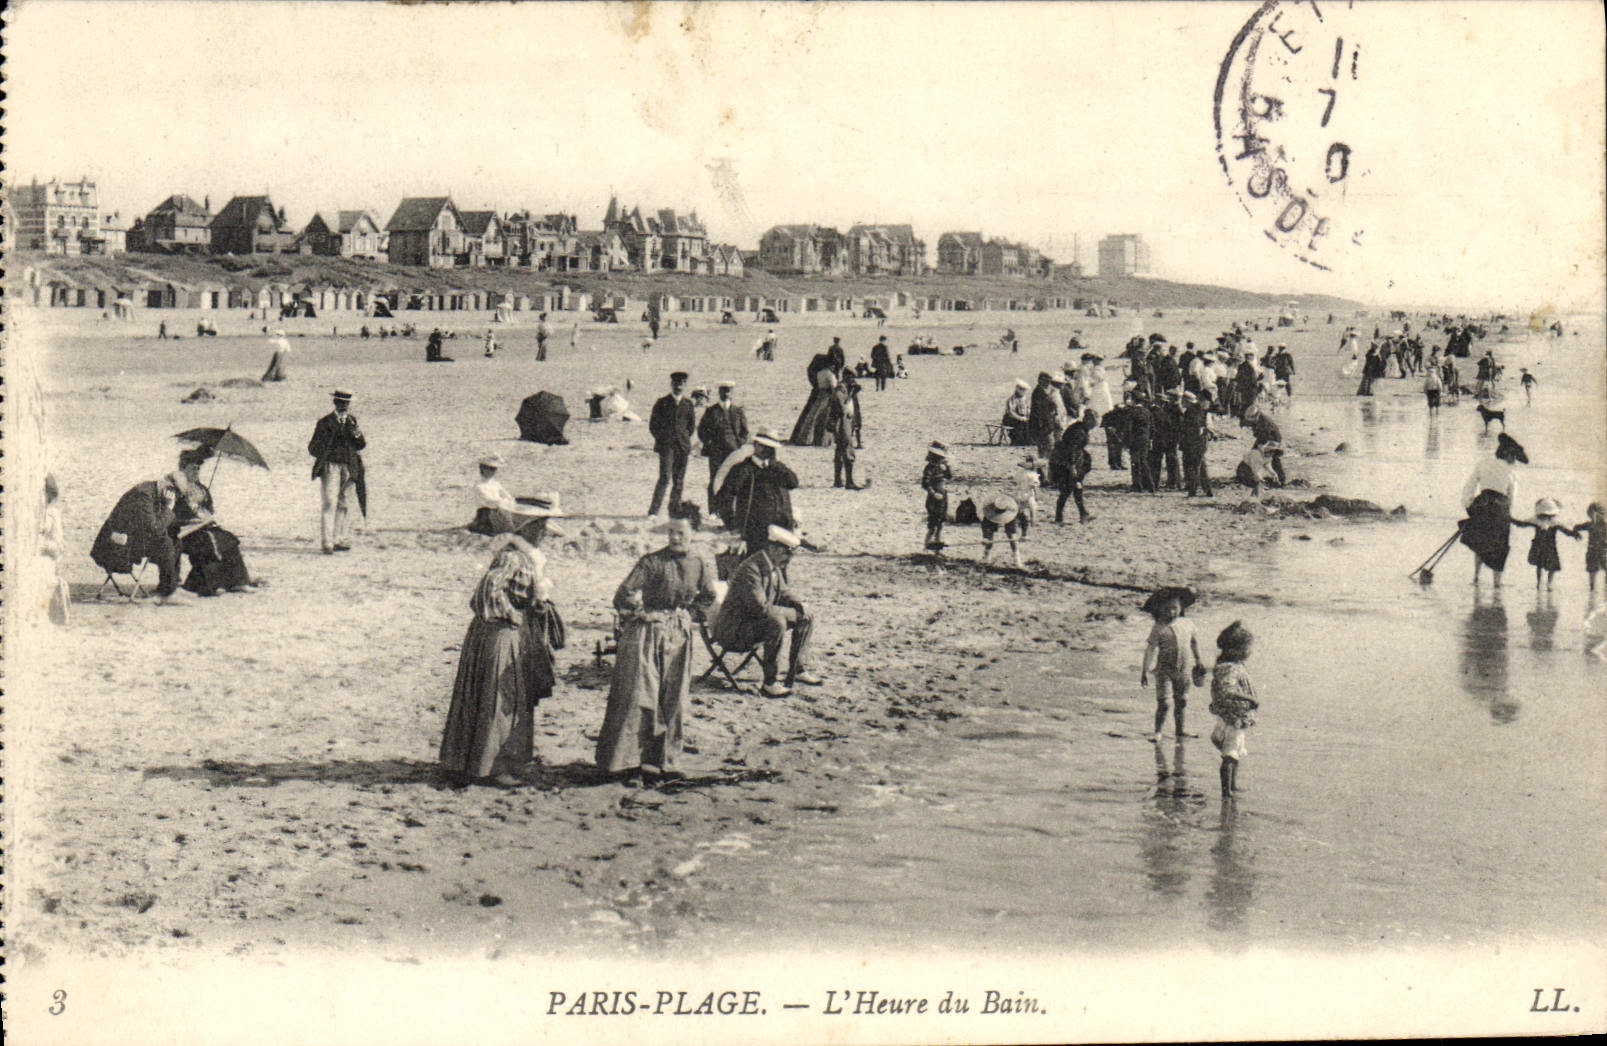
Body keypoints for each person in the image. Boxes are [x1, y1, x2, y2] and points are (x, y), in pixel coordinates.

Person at [439, 501, 564, 788]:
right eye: (541, 526)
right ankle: (493, 767)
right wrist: (513, 615)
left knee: (508, 697)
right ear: (528, 528)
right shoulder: (512, 558)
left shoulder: (526, 557)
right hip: (500, 634)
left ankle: (493, 761)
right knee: (500, 697)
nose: (545, 532)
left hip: (510, 633)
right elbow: (485, 594)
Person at [595, 518, 718, 783]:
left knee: (674, 698)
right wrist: (641, 614)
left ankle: (666, 762)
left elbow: (708, 596)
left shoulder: (698, 564)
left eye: (681, 533)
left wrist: (688, 615)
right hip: (648, 635)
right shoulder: (651, 562)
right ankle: (628, 763)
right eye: (671, 533)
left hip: (679, 635)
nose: (675, 538)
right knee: (641, 696)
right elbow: (623, 594)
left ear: (692, 533)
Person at [713, 524, 821, 698]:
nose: (789, 558)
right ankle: (770, 682)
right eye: (787, 553)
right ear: (773, 548)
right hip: (734, 630)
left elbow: (783, 592)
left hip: (753, 624)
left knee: (806, 617)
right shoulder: (751, 569)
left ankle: (798, 669)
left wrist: (800, 605)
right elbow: (760, 607)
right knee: (777, 622)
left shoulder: (772, 565)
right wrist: (791, 613)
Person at [168, 447, 254, 595]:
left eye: (197, 469)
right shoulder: (175, 487)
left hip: (202, 527)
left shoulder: (200, 487)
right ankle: (202, 585)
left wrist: (205, 508)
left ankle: (237, 581)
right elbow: (172, 512)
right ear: (183, 468)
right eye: (192, 468)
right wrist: (191, 512)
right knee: (208, 543)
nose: (196, 472)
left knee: (228, 539)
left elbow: (209, 509)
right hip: (183, 531)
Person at [1458, 432, 1528, 586]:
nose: (1514, 461)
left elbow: (1469, 487)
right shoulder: (1511, 473)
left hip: (1481, 504)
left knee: (1480, 543)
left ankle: (1476, 577)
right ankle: (1497, 582)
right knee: (1500, 546)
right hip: (1500, 509)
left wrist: (1469, 505)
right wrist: (1507, 514)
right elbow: (1511, 498)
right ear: (1508, 455)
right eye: (1513, 457)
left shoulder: (1483, 463)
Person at [716, 429, 799, 554]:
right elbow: (723, 497)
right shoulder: (743, 470)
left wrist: (776, 465)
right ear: (755, 445)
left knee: (779, 565)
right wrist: (732, 524)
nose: (767, 450)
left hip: (781, 526)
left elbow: (793, 483)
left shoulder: (777, 469)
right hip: (755, 530)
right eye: (763, 446)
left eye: (771, 448)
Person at [308, 388, 367, 554]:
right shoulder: (325, 423)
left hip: (348, 466)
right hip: (331, 466)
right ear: (335, 403)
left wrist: (356, 435)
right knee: (329, 502)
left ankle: (338, 539)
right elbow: (312, 448)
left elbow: (361, 445)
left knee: (343, 503)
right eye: (341, 402)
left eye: (346, 403)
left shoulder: (352, 421)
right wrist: (326, 453)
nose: (344, 406)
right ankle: (327, 543)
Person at [1140, 592, 1202, 743]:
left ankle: (1180, 730)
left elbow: (1194, 642)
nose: (1171, 612)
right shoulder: (1159, 627)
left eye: (1174, 608)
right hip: (1164, 670)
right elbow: (1150, 649)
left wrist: (1199, 660)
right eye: (1166, 609)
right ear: (1160, 609)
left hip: (1184, 669)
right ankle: (1158, 732)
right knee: (1164, 703)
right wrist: (1144, 671)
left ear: (1181, 608)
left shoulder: (1187, 624)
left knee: (1182, 701)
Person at [1209, 621, 1259, 799]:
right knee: (1230, 755)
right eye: (1247, 648)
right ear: (1236, 649)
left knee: (1234, 754)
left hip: (1231, 718)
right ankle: (1226, 791)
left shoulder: (1229, 665)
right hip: (1233, 719)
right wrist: (1249, 698)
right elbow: (1228, 690)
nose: (1249, 652)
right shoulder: (1230, 668)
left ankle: (1232, 786)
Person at [648, 371, 696, 520]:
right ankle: (653, 511)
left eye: (682, 383)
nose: (679, 386)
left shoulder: (688, 404)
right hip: (667, 446)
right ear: (671, 384)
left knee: (679, 479)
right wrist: (663, 439)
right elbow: (653, 426)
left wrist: (684, 439)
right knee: (665, 477)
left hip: (682, 446)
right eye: (676, 383)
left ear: (685, 385)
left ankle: (674, 509)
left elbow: (691, 426)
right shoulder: (662, 403)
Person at [697, 380, 749, 515]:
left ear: (732, 393)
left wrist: (739, 444)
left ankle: (730, 511)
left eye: (729, 391)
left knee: (733, 479)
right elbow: (701, 430)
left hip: (733, 452)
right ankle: (713, 511)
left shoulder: (737, 411)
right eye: (723, 390)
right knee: (715, 479)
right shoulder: (711, 411)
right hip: (716, 452)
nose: (726, 393)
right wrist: (709, 443)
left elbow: (745, 432)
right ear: (719, 392)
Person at [1513, 498, 1579, 589]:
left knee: (1539, 565)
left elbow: (1522, 524)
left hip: (1538, 545)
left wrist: (1510, 519)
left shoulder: (1536, 520)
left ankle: (1539, 583)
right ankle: (1549, 584)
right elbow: (1566, 531)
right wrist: (1575, 534)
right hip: (1550, 547)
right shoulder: (1554, 522)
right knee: (1552, 567)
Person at [789, 344, 845, 445]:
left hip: (818, 391)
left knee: (812, 415)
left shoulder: (819, 363)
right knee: (821, 416)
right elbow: (834, 386)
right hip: (826, 394)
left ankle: (805, 437)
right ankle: (819, 440)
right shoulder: (829, 372)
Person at [1050, 409, 1097, 524]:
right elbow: (1072, 450)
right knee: (1070, 488)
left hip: (1072, 461)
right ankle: (1066, 515)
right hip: (1067, 462)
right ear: (1088, 420)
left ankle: (1080, 513)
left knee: (1073, 487)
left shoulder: (1079, 428)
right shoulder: (1079, 431)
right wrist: (1072, 466)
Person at [38, 474, 71, 625]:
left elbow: (58, 546)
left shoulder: (52, 514)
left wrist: (40, 546)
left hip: (44, 557)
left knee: (42, 572)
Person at [468, 454, 519, 534]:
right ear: (483, 469)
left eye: (494, 469)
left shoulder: (496, 484)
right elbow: (491, 502)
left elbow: (508, 497)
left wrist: (508, 501)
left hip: (500, 512)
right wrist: (503, 501)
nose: (493, 472)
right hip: (486, 516)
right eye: (490, 469)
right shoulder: (479, 486)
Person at [829, 377, 863, 490]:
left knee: (840, 450)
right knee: (847, 449)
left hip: (844, 422)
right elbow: (840, 405)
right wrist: (850, 394)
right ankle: (849, 481)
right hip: (841, 422)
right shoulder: (841, 388)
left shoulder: (845, 388)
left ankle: (838, 480)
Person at [1179, 390, 1215, 498]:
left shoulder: (1193, 411)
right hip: (1197, 441)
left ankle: (1193, 491)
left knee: (1194, 466)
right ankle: (1207, 490)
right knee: (1200, 466)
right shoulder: (1198, 410)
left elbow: (1194, 427)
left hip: (1195, 441)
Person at [979, 493, 1025, 569]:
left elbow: (1024, 520)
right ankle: (986, 557)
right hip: (993, 516)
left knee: (1012, 536)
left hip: (1010, 518)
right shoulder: (989, 509)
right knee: (990, 537)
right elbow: (985, 526)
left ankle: (1017, 560)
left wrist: (1024, 535)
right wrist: (985, 537)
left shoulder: (1015, 508)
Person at [921, 441, 952, 550]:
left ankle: (937, 545)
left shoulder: (941, 467)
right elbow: (925, 484)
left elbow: (949, 477)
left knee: (940, 523)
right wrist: (934, 494)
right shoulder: (929, 468)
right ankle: (926, 546)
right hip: (934, 499)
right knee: (933, 524)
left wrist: (947, 467)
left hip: (943, 497)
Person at [1572, 501, 1606, 594]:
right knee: (1592, 570)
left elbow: (1576, 527)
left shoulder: (1598, 525)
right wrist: (1576, 534)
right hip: (1595, 550)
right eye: (1591, 515)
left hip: (1602, 550)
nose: (1593, 517)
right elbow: (1576, 527)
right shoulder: (1590, 524)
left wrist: (1576, 533)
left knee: (1595, 569)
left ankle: (1595, 588)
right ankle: (1592, 588)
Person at [1028, 372, 1060, 461]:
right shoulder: (1039, 393)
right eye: (1046, 381)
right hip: (1042, 425)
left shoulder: (1041, 392)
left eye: (1049, 381)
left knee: (1045, 448)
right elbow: (1041, 411)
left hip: (1044, 425)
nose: (1048, 384)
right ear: (1040, 381)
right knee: (1047, 448)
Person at [1002, 379, 1033, 446]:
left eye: (1025, 390)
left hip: (1022, 417)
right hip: (1011, 419)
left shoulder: (1025, 399)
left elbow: (1028, 409)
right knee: (1021, 424)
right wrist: (1020, 418)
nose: (1024, 392)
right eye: (1022, 389)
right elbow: (1010, 412)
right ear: (1018, 389)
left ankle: (1028, 440)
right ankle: (1017, 440)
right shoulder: (1012, 399)